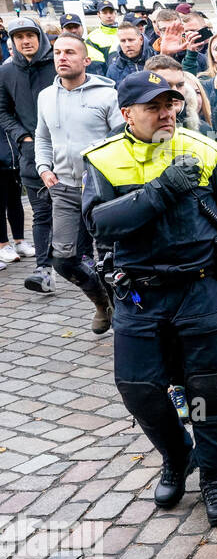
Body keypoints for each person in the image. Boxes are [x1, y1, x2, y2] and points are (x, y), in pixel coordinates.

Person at [82, 70, 217, 526]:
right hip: (140, 294)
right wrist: (160, 191)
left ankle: (213, 474)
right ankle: (178, 456)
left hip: (200, 287)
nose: (166, 114)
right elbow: (100, 224)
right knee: (139, 389)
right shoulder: (103, 159)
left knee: (210, 387)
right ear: (126, 114)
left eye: (171, 105)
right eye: (153, 107)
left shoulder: (204, 148)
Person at [34, 33, 122, 333]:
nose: (62, 57)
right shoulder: (46, 96)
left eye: (70, 52)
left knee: (110, 257)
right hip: (64, 188)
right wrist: (44, 168)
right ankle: (101, 302)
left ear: (86, 60)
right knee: (63, 259)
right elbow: (43, 138)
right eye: (58, 52)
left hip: (102, 190)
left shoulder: (108, 94)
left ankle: (123, 315)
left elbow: (122, 139)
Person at [0, 17, 58, 293]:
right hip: (30, 154)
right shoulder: (7, 71)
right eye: (19, 36)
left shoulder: (58, 63)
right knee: (41, 214)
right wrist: (21, 136)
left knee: (82, 213)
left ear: (39, 36)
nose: (25, 41)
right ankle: (43, 270)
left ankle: (85, 262)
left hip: (65, 152)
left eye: (30, 35)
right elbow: (3, 111)